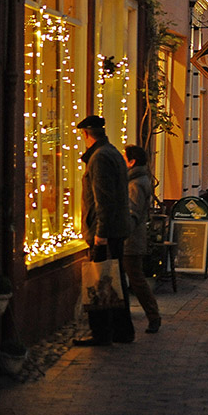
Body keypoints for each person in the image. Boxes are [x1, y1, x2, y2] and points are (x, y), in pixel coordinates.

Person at [74, 115, 135, 347]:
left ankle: (102, 333)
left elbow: (103, 199)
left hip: (105, 231)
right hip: (117, 228)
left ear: (86, 135)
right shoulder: (113, 152)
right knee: (116, 279)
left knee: (101, 281)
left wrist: (100, 233)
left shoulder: (98, 158)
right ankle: (122, 330)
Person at [123, 145, 161, 334]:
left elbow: (133, 213)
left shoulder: (136, 183)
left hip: (130, 240)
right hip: (131, 238)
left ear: (132, 161)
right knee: (132, 278)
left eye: (125, 158)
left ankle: (153, 316)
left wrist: (123, 232)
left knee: (136, 279)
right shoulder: (137, 179)